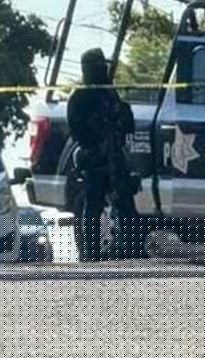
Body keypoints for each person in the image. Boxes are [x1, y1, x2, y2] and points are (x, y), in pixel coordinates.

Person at [68, 48, 140, 262]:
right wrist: (96, 141)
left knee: (126, 203)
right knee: (93, 206)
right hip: (93, 158)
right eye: (98, 66)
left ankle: (131, 249)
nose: (103, 69)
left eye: (103, 65)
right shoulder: (79, 97)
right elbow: (77, 129)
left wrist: (121, 114)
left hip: (114, 156)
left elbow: (127, 124)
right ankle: (92, 252)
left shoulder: (109, 93)